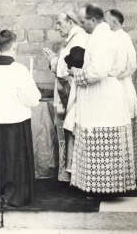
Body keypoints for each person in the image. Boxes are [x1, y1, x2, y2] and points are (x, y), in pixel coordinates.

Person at [69, 4, 136, 199]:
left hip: (102, 95)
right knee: (105, 141)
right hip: (108, 92)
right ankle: (105, 188)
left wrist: (77, 74)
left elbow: (98, 71)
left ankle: (101, 190)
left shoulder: (101, 37)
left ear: (93, 20)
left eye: (83, 22)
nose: (82, 27)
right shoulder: (107, 35)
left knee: (99, 138)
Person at [0, 30, 41, 207]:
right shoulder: (19, 70)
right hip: (14, 122)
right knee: (13, 159)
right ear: (14, 46)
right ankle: (14, 195)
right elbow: (33, 99)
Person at [43, 11, 89, 182]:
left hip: (73, 91)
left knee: (71, 131)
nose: (56, 27)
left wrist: (54, 61)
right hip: (68, 91)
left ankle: (72, 176)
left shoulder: (79, 39)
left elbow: (66, 69)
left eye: (59, 23)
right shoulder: (73, 39)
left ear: (70, 22)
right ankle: (68, 174)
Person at [104, 9, 137, 178]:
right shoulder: (114, 37)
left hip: (122, 86)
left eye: (106, 20)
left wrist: (116, 77)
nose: (104, 24)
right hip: (117, 85)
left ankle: (126, 173)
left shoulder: (121, 37)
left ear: (114, 22)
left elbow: (132, 65)